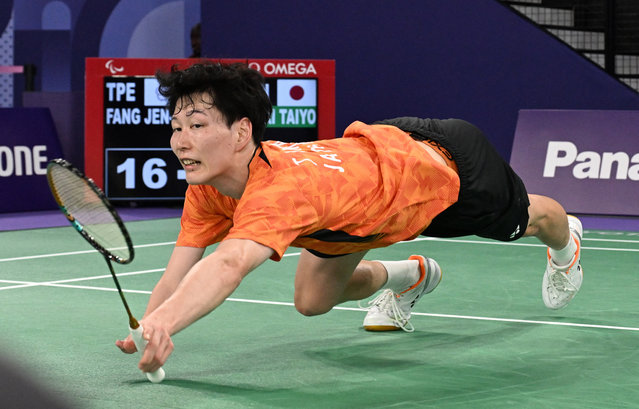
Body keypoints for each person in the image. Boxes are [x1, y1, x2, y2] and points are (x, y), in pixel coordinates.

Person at [115, 62, 583, 374]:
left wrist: (166, 326)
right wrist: (149, 326)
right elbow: (179, 272)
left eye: (197, 126)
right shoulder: (209, 189)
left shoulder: (280, 191)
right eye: (176, 126)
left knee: (530, 219)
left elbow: (228, 264)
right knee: (312, 301)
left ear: (241, 133)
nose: (180, 140)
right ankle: (411, 276)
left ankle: (568, 249)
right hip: (362, 198)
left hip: (443, 173)